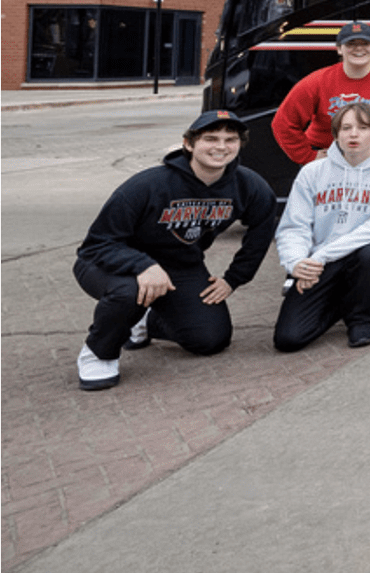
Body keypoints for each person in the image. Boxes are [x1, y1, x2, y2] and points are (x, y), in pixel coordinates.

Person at [73, 110, 277, 391]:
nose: (221, 146)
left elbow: (261, 233)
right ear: (189, 144)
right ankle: (99, 353)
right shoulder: (147, 185)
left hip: (179, 267)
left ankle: (146, 320)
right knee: (129, 293)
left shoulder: (249, 186)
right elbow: (98, 243)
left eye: (230, 139)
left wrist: (234, 278)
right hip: (109, 263)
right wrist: (142, 265)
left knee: (211, 339)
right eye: (211, 138)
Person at [272, 102, 370, 351]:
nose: (353, 134)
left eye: (363, 128)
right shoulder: (312, 172)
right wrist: (297, 263)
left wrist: (321, 257)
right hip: (320, 262)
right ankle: (342, 301)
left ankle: (359, 319)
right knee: (288, 339)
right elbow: (294, 225)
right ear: (335, 135)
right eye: (345, 128)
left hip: (360, 256)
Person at [272, 21, 370, 166]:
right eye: (351, 44)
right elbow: (283, 123)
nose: (359, 49)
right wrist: (309, 156)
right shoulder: (317, 81)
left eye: (365, 43)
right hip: (328, 153)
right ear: (339, 49)